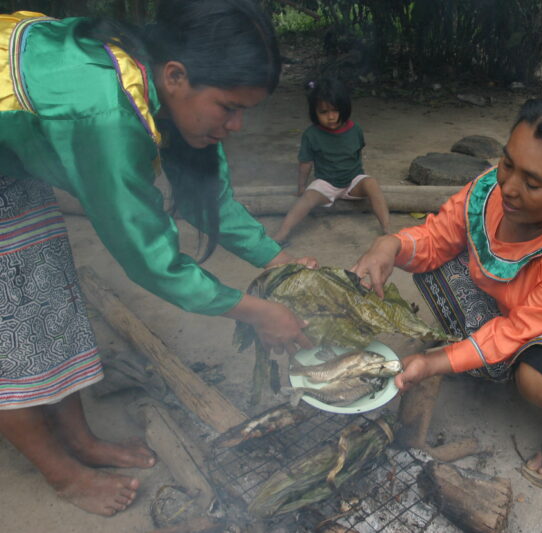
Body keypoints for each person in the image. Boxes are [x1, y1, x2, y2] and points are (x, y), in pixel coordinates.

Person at [0, 1, 316, 516]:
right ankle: (63, 475)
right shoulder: (103, 113)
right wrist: (258, 311)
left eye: (245, 111)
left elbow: (206, 196)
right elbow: (148, 257)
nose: (236, 125)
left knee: (46, 302)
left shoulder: (161, 84)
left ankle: (78, 440)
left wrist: (273, 257)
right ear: (176, 76)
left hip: (11, 168)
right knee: (8, 335)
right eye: (229, 107)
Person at [351, 95, 542, 490]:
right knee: (434, 264)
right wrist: (389, 245)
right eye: (508, 163)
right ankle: (486, 361)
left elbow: (524, 328)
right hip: (527, 312)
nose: (508, 187)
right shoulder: (491, 189)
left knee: (537, 374)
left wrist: (434, 361)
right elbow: (437, 238)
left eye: (533, 182)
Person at [271, 78, 390, 244]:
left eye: (335, 110)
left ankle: (387, 229)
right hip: (325, 184)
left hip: (353, 182)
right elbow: (305, 162)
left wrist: (359, 178)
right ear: (314, 112)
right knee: (307, 198)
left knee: (372, 184)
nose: (331, 117)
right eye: (324, 112)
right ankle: (283, 232)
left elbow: (357, 154)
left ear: (344, 108)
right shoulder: (311, 135)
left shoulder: (355, 130)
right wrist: (301, 186)